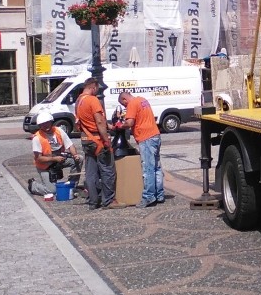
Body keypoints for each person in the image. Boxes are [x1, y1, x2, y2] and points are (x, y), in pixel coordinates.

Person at [75, 77, 123, 210]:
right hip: (98, 141)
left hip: (86, 140)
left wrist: (109, 126)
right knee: (108, 170)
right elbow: (99, 121)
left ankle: (93, 201)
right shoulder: (93, 100)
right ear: (94, 87)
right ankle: (109, 200)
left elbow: (88, 121)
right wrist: (106, 140)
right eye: (97, 89)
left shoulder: (79, 100)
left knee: (91, 172)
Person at [119, 90, 164, 207]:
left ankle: (149, 197)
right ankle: (159, 194)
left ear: (124, 99)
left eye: (124, 104)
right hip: (155, 135)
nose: (125, 106)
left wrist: (119, 125)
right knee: (156, 167)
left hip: (146, 138)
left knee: (148, 168)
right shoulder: (142, 100)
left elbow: (129, 123)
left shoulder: (132, 104)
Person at [28, 111, 82, 197]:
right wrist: (54, 159)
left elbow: (70, 145)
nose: (45, 125)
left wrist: (75, 155)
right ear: (39, 126)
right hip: (45, 166)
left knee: (80, 158)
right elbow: (38, 158)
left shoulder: (59, 131)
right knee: (52, 191)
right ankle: (33, 185)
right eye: (43, 124)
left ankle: (72, 185)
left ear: (51, 122)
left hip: (59, 160)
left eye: (47, 123)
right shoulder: (37, 138)